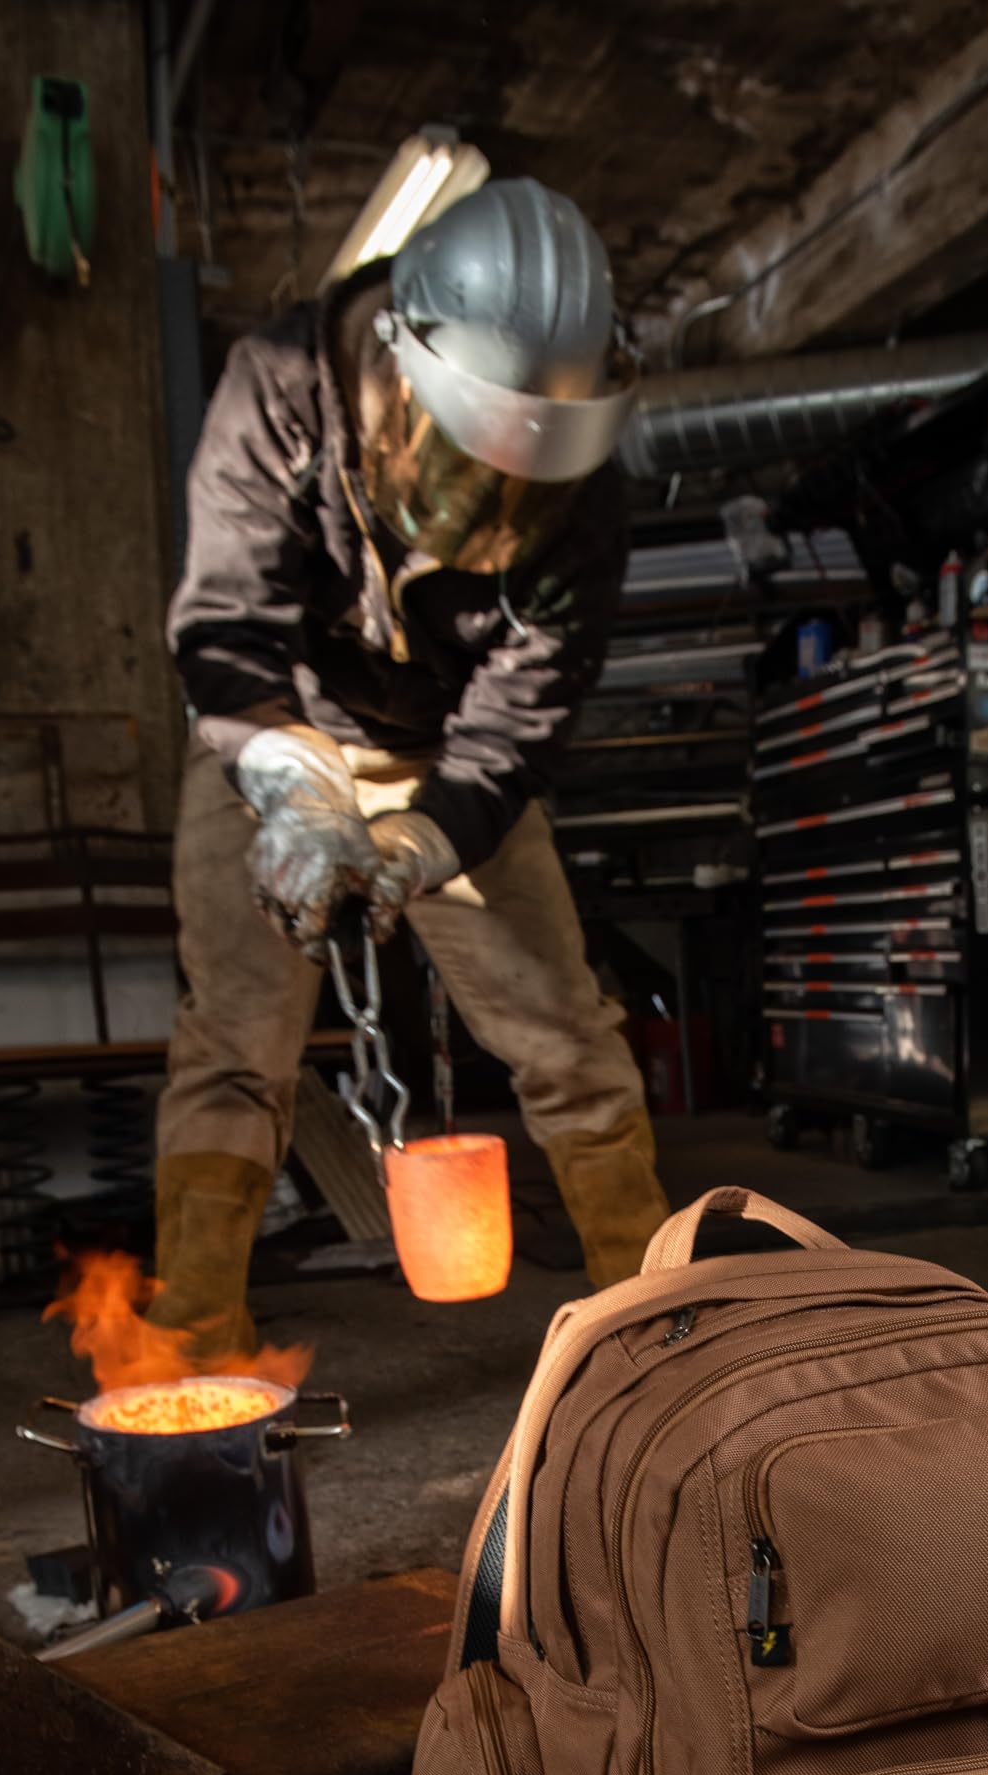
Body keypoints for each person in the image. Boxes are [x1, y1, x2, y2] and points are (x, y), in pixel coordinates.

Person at [153, 176, 669, 1361]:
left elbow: (523, 713)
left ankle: (661, 1332)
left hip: (449, 754)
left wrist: (431, 836)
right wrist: (293, 788)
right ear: (401, 371)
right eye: (473, 468)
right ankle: (186, 1362)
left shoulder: (583, 498)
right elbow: (225, 632)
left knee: (568, 1040)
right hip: (275, 726)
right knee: (234, 1040)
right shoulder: (277, 390)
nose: (492, 515)